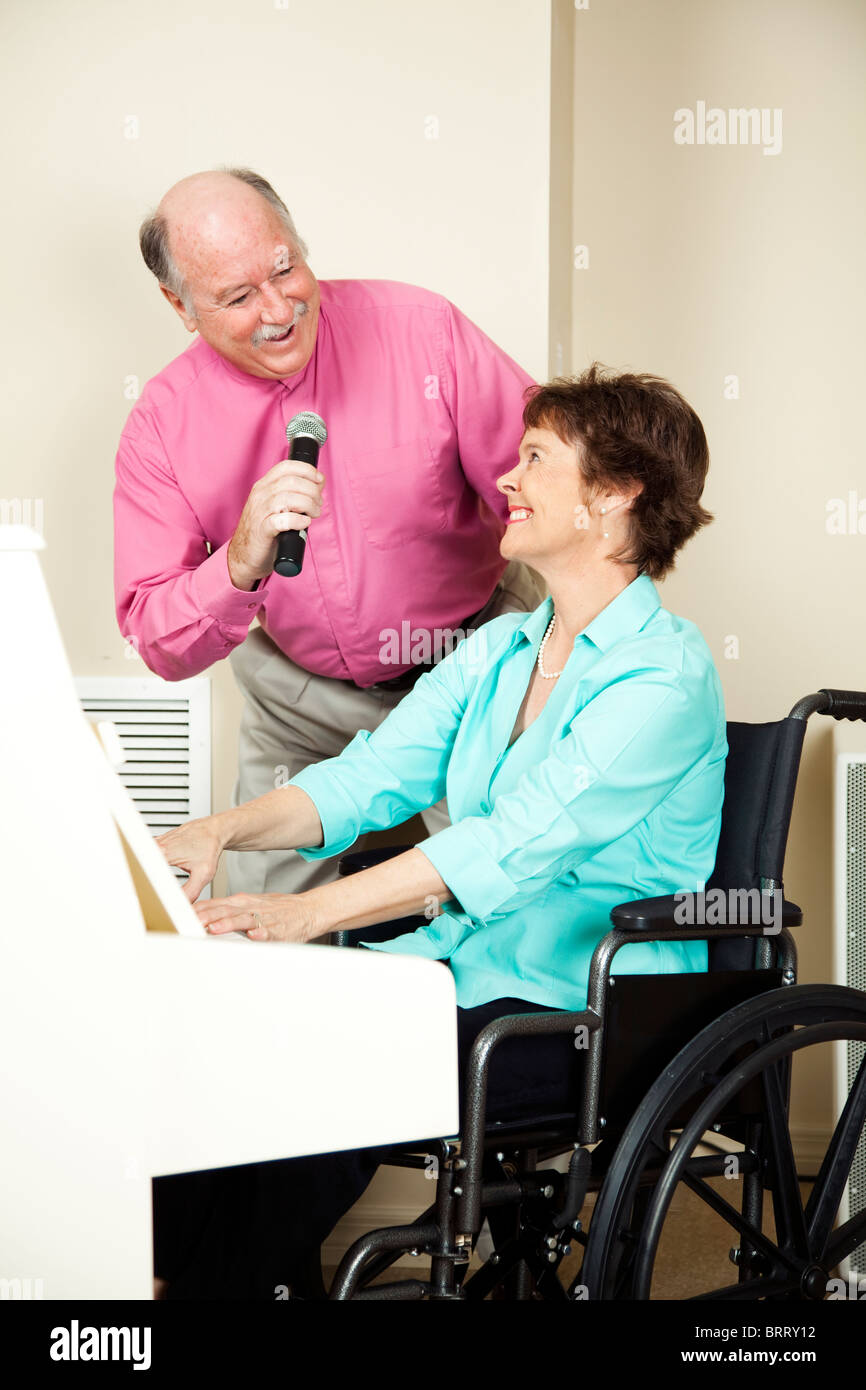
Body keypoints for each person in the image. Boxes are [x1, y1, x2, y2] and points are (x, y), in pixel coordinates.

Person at [151, 364, 727, 1299]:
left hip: (582, 1005)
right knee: (233, 1028)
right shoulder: (504, 648)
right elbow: (374, 777)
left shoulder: (666, 679)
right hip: (459, 968)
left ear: (615, 497)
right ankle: (181, 1284)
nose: (506, 475)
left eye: (537, 457)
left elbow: (507, 847)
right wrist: (218, 832)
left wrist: (304, 917)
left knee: (335, 1057)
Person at [114, 166, 544, 901]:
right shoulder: (161, 421)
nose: (280, 308)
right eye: (239, 297)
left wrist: (571, 663)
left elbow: (548, 491)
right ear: (179, 306)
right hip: (299, 703)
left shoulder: (425, 331)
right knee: (246, 922)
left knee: (509, 904)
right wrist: (238, 565)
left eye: (285, 269)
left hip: (469, 670)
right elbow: (157, 639)